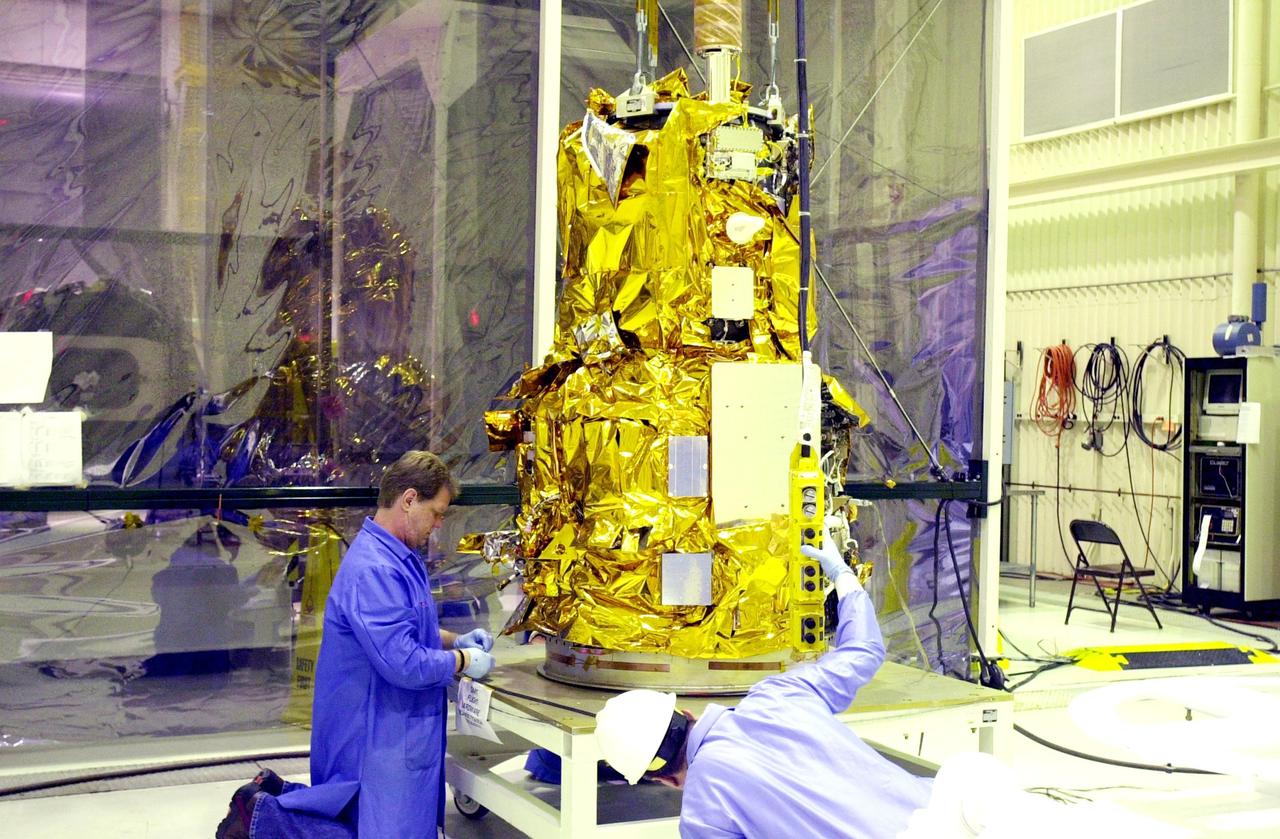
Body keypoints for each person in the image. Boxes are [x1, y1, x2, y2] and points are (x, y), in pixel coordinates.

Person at [216, 450, 496, 839]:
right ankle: (261, 817)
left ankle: (270, 798)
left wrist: (455, 640)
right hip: (374, 740)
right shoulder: (375, 569)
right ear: (409, 499)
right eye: (437, 512)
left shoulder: (401, 558)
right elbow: (404, 662)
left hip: (396, 731)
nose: (439, 523)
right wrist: (463, 660)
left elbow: (408, 628)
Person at [594, 527, 931, 838]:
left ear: (666, 779)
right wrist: (842, 575)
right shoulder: (780, 695)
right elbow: (864, 649)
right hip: (952, 819)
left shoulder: (703, 815)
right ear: (686, 713)